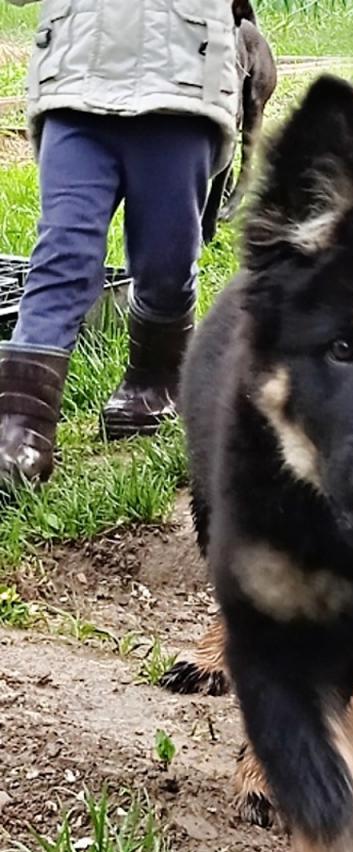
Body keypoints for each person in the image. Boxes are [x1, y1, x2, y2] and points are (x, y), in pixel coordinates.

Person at [0, 0, 238, 489]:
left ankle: (155, 381)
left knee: (167, 265)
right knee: (62, 255)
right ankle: (19, 429)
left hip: (179, 88)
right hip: (76, 87)